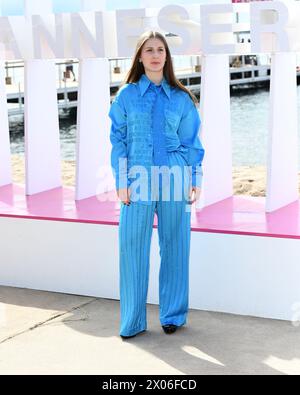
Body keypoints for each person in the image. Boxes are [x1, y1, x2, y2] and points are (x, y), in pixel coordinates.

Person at [109, 30, 205, 339]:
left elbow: (192, 142)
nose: (154, 55)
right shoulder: (126, 96)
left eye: (160, 50)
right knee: (132, 246)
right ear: (139, 56)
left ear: (167, 56)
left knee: (175, 245)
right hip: (137, 177)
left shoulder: (181, 97)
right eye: (149, 50)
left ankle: (172, 315)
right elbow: (118, 140)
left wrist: (194, 177)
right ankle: (133, 321)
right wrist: (121, 180)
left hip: (175, 175)